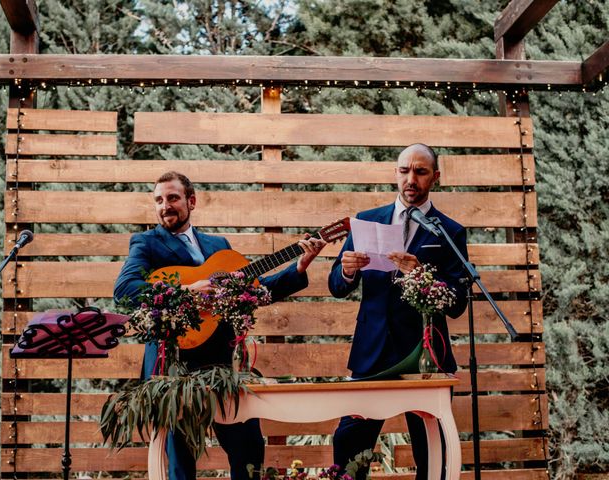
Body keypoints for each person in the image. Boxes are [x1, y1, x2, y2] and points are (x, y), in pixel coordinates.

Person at [114, 171, 326, 480]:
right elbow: (125, 289)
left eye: (173, 198)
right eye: (158, 200)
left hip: (222, 367)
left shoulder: (218, 245)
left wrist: (299, 268)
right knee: (181, 461)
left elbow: (255, 290)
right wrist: (188, 291)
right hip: (175, 370)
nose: (165, 206)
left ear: (191, 201)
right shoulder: (146, 243)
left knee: (249, 449)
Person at [328, 144, 468, 479]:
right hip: (371, 353)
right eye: (405, 170)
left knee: (432, 453)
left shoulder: (449, 231)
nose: (411, 179)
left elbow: (457, 303)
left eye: (420, 172)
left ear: (435, 177)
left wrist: (420, 274)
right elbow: (336, 285)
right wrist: (347, 270)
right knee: (348, 448)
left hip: (424, 356)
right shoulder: (365, 221)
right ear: (395, 173)